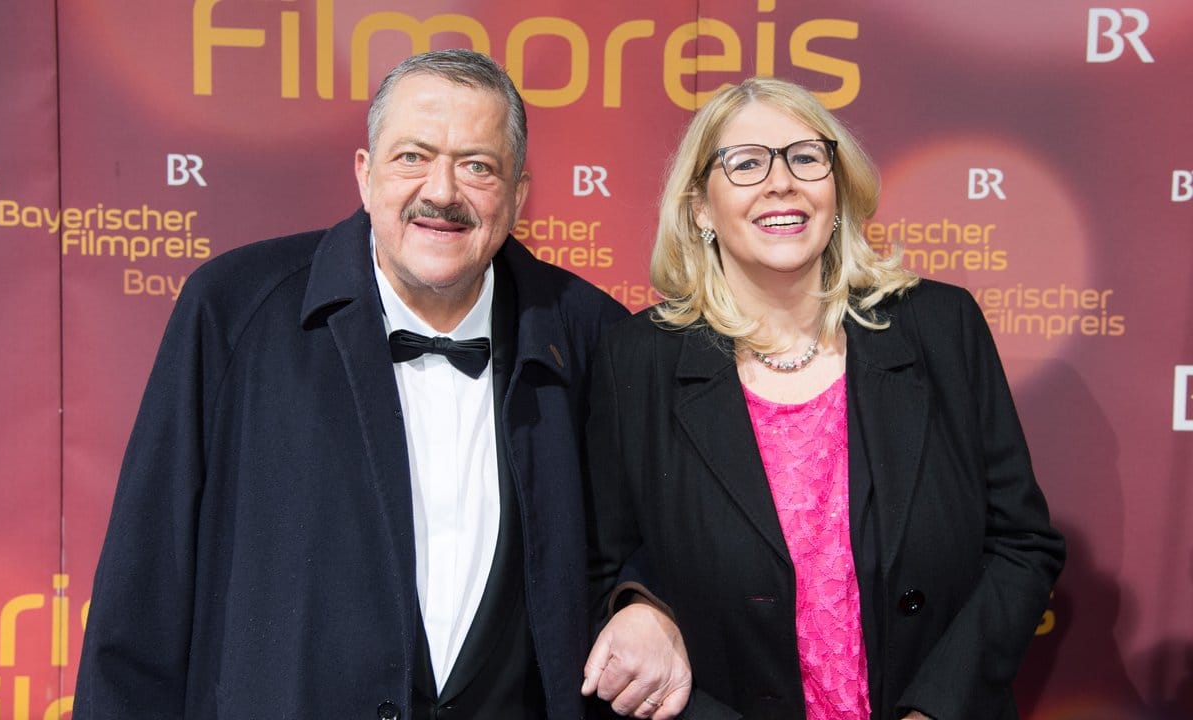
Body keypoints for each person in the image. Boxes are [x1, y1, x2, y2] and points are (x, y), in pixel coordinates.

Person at [73, 49, 686, 720]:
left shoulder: (593, 335)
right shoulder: (233, 310)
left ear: (517, 194)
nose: (442, 192)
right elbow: (146, 580)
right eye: (412, 157)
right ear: (365, 176)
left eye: (477, 166)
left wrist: (646, 602)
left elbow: (664, 534)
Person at [582, 76, 1066, 720]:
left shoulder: (941, 327)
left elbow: (1022, 546)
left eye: (806, 157)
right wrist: (639, 606)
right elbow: (605, 565)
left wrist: (935, 711)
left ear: (837, 188)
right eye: (746, 163)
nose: (781, 182)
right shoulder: (635, 359)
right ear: (700, 208)